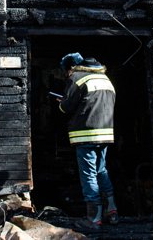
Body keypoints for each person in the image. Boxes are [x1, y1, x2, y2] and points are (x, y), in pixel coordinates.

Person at [57, 52, 119, 230]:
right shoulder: (105, 78)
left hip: (86, 133)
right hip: (106, 132)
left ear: (72, 67)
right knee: (101, 170)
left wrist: (61, 103)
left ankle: (93, 219)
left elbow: (65, 107)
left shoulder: (77, 78)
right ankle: (112, 212)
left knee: (89, 174)